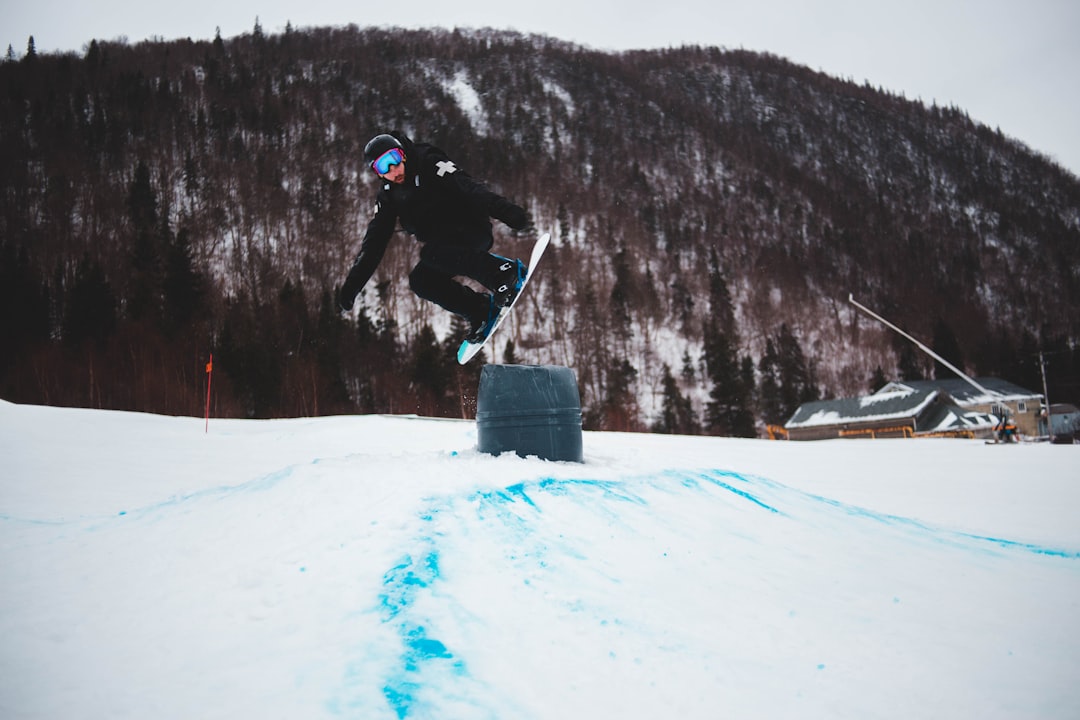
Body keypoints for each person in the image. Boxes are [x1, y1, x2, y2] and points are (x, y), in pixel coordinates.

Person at [337, 132, 533, 342]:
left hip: (472, 227)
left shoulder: (428, 162)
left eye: (393, 160)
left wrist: (508, 212)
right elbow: (374, 243)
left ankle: (504, 273)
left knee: (432, 253)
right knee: (421, 280)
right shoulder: (388, 196)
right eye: (383, 167)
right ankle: (480, 310)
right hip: (445, 246)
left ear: (402, 154)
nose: (393, 170)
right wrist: (352, 287)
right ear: (378, 173)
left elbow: (469, 188)